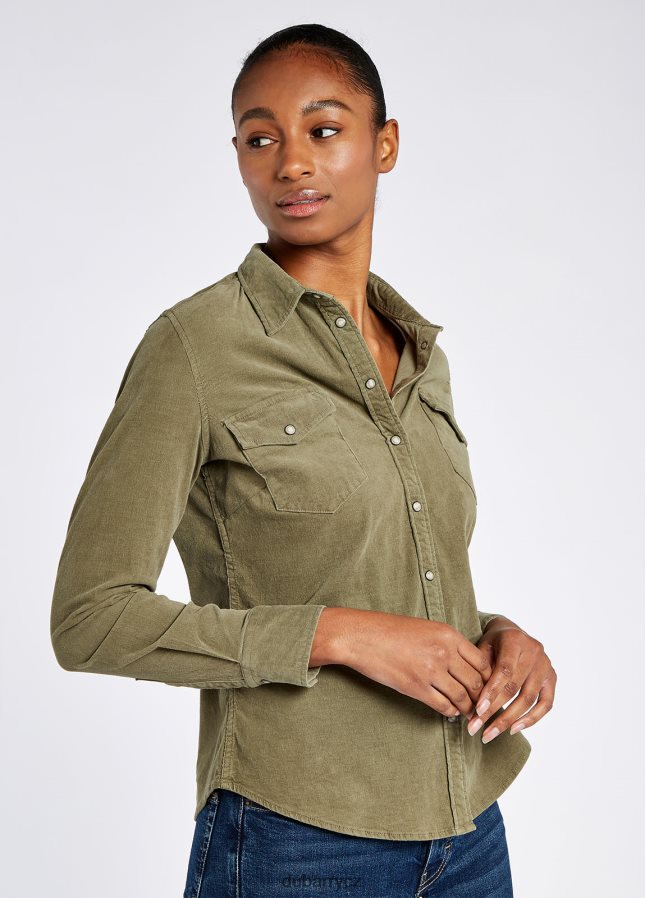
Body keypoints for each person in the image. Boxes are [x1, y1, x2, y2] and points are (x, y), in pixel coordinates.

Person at [50, 22, 557, 898]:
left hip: (469, 830)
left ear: (384, 144)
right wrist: (338, 635)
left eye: (323, 130)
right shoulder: (195, 348)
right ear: (239, 159)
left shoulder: (421, 357)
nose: (290, 162)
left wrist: (499, 639)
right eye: (260, 138)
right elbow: (91, 618)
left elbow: (385, 569)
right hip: (296, 839)